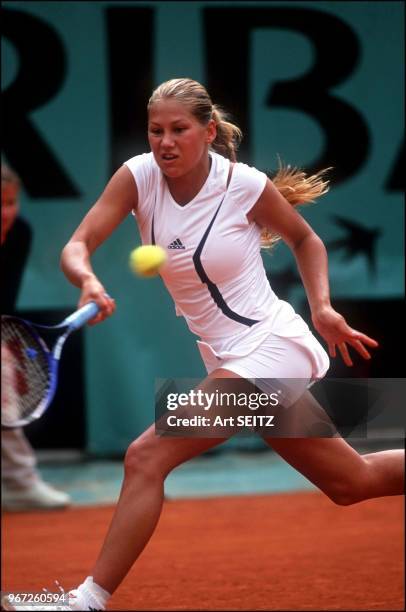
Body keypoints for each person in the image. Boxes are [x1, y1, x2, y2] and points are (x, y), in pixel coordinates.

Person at [2, 78, 404, 611]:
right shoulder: (138, 177)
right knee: (352, 481)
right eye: (155, 131)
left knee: (146, 456)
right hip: (228, 356)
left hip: (274, 347)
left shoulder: (244, 184)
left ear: (208, 131)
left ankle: (87, 600)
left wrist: (323, 307)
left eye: (178, 130)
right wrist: (88, 280)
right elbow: (78, 244)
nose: (164, 142)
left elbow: (306, 239)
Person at [1, 163, 71, 512]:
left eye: (10, 202)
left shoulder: (19, 233)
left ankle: (19, 484)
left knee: (3, 388)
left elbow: (4, 299)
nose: (5, 212)